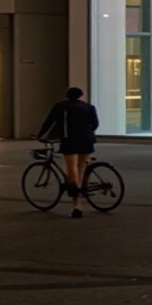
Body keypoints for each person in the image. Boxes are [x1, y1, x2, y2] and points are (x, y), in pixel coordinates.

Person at [36, 87, 98, 218]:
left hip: (69, 140)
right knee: (80, 167)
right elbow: (95, 124)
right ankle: (80, 188)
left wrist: (40, 135)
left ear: (67, 95)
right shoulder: (89, 107)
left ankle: (77, 206)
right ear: (81, 95)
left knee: (72, 169)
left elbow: (49, 122)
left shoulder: (61, 106)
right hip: (87, 139)